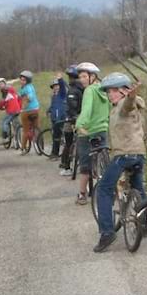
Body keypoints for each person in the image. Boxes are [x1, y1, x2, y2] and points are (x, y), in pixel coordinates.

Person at [93, 73, 147, 253]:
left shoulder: (126, 104)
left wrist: (130, 96)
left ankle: (107, 233)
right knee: (138, 190)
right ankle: (142, 225)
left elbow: (128, 105)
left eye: (115, 91)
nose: (111, 95)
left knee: (103, 189)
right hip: (138, 154)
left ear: (124, 91)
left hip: (124, 155)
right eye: (109, 92)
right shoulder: (116, 108)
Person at [74, 62, 109, 204]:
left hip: (87, 131)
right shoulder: (106, 90)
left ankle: (82, 195)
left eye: (84, 76)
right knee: (105, 164)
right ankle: (110, 192)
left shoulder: (89, 91)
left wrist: (79, 124)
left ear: (92, 76)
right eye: (80, 77)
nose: (81, 79)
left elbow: (86, 111)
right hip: (102, 130)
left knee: (85, 166)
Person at [59, 64, 85, 176]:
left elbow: (71, 107)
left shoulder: (73, 90)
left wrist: (73, 117)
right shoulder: (84, 88)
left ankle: (66, 166)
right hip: (83, 118)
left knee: (68, 143)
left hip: (72, 119)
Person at [18, 70, 40, 155]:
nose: (22, 81)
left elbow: (29, 97)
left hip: (27, 111)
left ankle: (23, 148)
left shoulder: (26, 88)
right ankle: (39, 144)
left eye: (23, 80)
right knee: (37, 127)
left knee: (25, 130)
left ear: (27, 81)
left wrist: (24, 106)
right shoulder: (31, 86)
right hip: (36, 109)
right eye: (21, 79)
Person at [46, 74, 67, 160]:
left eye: (57, 86)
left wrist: (60, 80)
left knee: (58, 137)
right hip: (54, 118)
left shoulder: (62, 94)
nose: (56, 88)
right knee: (55, 137)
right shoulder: (53, 96)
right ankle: (54, 153)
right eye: (54, 86)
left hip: (61, 118)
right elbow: (53, 106)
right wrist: (49, 110)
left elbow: (63, 87)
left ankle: (56, 154)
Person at [0, 78, 21, 143]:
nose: (0, 86)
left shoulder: (6, 90)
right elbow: (18, 98)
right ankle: (17, 140)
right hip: (17, 110)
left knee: (4, 122)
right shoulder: (12, 91)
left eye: (1, 84)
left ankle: (6, 137)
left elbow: (2, 102)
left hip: (11, 111)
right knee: (16, 125)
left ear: (5, 83)